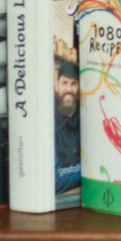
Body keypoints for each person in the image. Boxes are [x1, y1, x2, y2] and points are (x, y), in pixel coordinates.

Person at [54, 60, 80, 194]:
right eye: (64, 83)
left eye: (73, 83)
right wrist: (88, 170)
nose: (69, 89)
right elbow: (55, 180)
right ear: (56, 85)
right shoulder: (47, 120)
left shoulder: (85, 117)